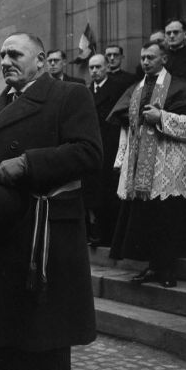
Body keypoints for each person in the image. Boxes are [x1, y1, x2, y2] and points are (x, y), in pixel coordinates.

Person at [0, 32, 102, 370]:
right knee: (2, 342)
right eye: (1, 56)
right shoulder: (0, 105)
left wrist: (28, 163)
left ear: (42, 61)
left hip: (45, 239)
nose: (4, 62)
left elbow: (89, 152)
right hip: (3, 233)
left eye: (14, 54)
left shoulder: (70, 95)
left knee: (44, 343)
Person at [108, 41, 186, 287]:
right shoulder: (136, 89)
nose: (145, 61)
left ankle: (167, 270)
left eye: (151, 57)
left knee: (167, 218)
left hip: (168, 163)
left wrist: (162, 117)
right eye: (143, 57)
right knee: (147, 219)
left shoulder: (180, 87)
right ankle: (153, 268)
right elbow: (125, 123)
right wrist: (121, 159)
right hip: (142, 164)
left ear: (164, 59)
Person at [83, 54, 125, 246]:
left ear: (107, 67)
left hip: (111, 146)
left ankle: (108, 235)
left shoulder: (116, 89)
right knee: (93, 191)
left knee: (109, 191)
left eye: (98, 67)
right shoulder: (85, 91)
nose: (94, 71)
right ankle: (95, 231)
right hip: (93, 146)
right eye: (91, 68)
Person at [164, 18, 186, 83]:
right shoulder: (160, 56)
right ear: (165, 36)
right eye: (168, 33)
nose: (171, 36)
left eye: (176, 32)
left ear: (185, 35)